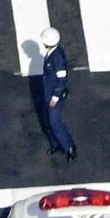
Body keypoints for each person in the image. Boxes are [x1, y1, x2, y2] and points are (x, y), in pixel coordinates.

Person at [37, 27, 76, 161]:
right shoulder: (53, 52)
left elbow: (62, 80)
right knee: (48, 121)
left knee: (54, 122)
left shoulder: (57, 58)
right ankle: (56, 144)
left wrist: (55, 97)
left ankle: (69, 147)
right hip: (48, 92)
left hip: (53, 96)